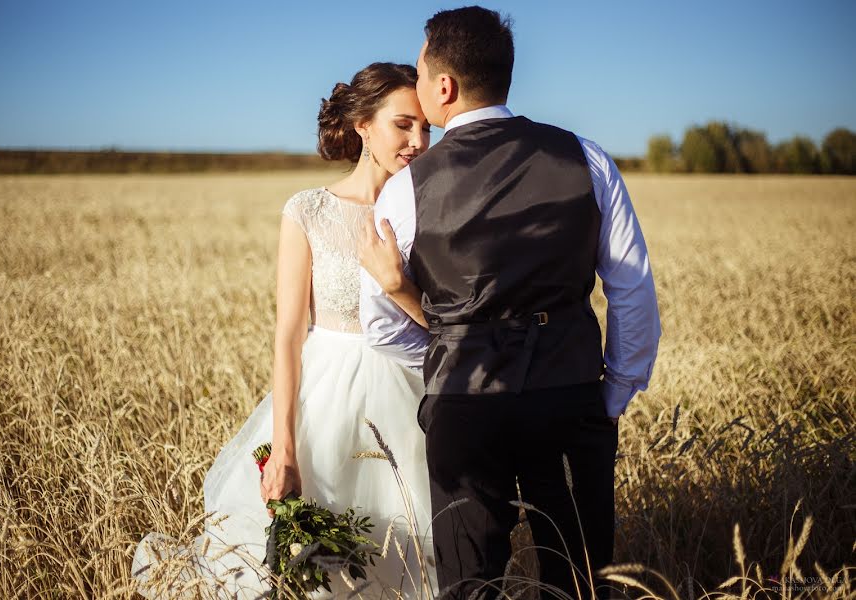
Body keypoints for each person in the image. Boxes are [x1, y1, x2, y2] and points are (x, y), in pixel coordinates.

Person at [358, 7, 662, 600]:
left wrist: (451, 349)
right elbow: (631, 288)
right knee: (578, 581)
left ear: (442, 86)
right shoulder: (587, 158)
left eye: (420, 71)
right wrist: (610, 394)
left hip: (464, 404)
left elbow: (382, 326)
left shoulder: (405, 190)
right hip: (571, 394)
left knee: (468, 583)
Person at [132, 62, 437, 599]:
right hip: (327, 401)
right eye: (403, 124)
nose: (418, 140)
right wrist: (286, 450)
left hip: (410, 399)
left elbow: (443, 321)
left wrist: (397, 287)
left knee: (413, 551)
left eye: (426, 127)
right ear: (363, 125)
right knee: (312, 561)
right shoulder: (310, 211)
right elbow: (288, 336)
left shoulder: (428, 210)